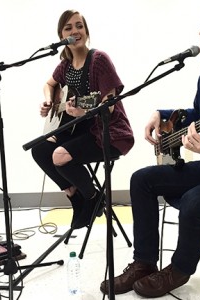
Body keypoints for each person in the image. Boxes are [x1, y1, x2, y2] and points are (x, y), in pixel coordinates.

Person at [100, 3, 200, 298]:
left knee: (194, 200)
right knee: (141, 179)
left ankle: (179, 270)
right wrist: (163, 113)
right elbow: (199, 113)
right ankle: (144, 263)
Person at [32, 9, 134, 230]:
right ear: (61, 37)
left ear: (87, 32)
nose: (75, 31)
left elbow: (109, 106)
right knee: (39, 149)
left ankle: (92, 198)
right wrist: (49, 101)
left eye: (79, 26)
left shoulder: (98, 60)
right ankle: (75, 196)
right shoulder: (66, 65)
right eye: (68, 28)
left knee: (59, 156)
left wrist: (85, 112)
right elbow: (49, 84)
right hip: (78, 131)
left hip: (108, 132)